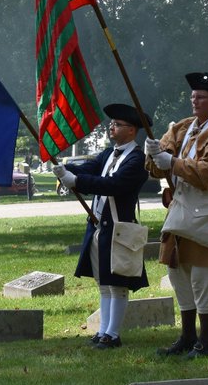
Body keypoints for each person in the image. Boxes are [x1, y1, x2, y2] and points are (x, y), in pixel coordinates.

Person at [146, 72, 208, 359]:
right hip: (179, 211)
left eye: (201, 97)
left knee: (203, 278)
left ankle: (207, 340)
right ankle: (187, 337)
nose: (194, 101)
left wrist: (172, 163)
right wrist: (153, 155)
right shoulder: (184, 127)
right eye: (193, 96)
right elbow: (158, 167)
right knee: (177, 272)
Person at [53, 104, 150, 349]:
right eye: (112, 123)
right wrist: (65, 169)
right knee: (104, 283)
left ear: (132, 131)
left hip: (119, 228)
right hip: (100, 228)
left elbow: (114, 184)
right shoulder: (109, 153)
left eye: (117, 124)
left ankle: (113, 334)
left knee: (118, 284)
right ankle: (103, 331)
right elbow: (90, 169)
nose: (112, 127)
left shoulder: (137, 159)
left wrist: (76, 180)